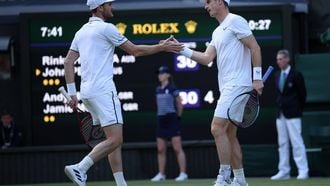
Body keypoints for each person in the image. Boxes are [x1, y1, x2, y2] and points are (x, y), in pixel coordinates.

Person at [62, 0, 183, 186]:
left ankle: (121, 184)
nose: (113, 7)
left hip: (87, 93)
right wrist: (162, 47)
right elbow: (134, 50)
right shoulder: (107, 28)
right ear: (100, 7)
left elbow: (68, 62)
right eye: (109, 4)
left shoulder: (81, 32)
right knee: (116, 139)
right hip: (103, 91)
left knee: (112, 140)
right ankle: (80, 167)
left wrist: (72, 94)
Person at [171, 0, 263, 185]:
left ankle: (224, 177)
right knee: (229, 134)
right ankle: (240, 180)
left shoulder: (236, 20)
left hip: (237, 86)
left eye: (208, 1)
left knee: (216, 128)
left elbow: (255, 47)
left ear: (221, 2)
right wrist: (181, 49)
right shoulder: (217, 31)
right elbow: (206, 58)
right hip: (228, 86)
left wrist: (258, 78)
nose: (206, 6)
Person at [270, 49, 309, 180]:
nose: (278, 62)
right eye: (277, 60)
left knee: (297, 142)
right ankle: (284, 171)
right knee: (282, 143)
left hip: (293, 113)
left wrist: (297, 109)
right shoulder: (276, 75)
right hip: (280, 113)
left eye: (281, 59)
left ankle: (303, 170)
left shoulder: (296, 75)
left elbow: (302, 95)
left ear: (287, 59)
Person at [150, 65, 188, 182]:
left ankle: (183, 174)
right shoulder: (157, 89)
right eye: (159, 73)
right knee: (161, 149)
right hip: (161, 119)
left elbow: (180, 103)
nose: (160, 75)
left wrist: (178, 117)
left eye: (162, 73)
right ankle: (161, 174)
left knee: (177, 148)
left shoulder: (172, 88)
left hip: (171, 119)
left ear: (168, 75)